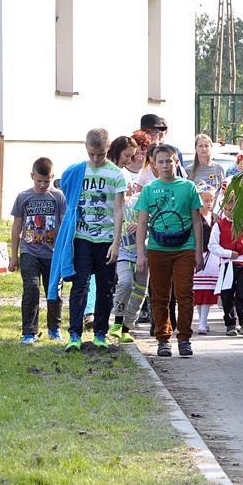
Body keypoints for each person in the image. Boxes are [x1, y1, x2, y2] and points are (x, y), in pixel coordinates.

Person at [135, 143, 205, 357]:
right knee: (160, 296)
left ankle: (184, 338)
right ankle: (163, 339)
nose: (166, 166)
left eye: (169, 161)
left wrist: (198, 252)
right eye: (161, 162)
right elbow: (142, 223)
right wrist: (140, 253)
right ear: (154, 165)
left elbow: (197, 221)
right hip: (157, 249)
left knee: (185, 294)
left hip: (185, 248)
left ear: (177, 162)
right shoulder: (148, 190)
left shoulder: (188, 187)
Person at [62, 128, 126, 352]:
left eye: (100, 154)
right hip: (82, 238)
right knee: (80, 285)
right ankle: (74, 334)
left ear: (108, 149)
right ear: (86, 148)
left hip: (106, 239)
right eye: (92, 154)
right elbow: (68, 202)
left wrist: (116, 243)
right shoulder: (79, 171)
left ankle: (100, 332)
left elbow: (119, 210)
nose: (96, 158)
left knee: (105, 287)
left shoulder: (117, 174)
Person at [9, 157, 67, 344]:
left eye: (46, 181)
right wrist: (14, 256)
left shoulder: (58, 197)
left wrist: (66, 252)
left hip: (53, 254)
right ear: (32, 176)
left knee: (54, 291)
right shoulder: (23, 197)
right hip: (29, 251)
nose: (42, 185)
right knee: (31, 289)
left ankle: (54, 329)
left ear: (52, 177)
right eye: (39, 181)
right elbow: (17, 227)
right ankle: (29, 332)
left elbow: (65, 223)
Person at [109, 134, 147, 343]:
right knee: (124, 283)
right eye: (128, 156)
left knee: (141, 289)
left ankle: (126, 327)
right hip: (123, 250)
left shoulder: (138, 203)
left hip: (143, 251)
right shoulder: (118, 207)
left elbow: (149, 221)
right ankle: (116, 320)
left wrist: (143, 226)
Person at [209, 192, 243, 335]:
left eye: (232, 209)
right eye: (226, 209)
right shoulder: (219, 225)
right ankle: (230, 324)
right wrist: (228, 253)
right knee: (227, 295)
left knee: (242, 293)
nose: (229, 213)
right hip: (227, 264)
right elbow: (212, 245)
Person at [192, 185, 219, 334]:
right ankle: (201, 320)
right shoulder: (194, 216)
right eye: (206, 200)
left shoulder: (215, 217)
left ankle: (203, 321)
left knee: (208, 290)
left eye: (211, 200)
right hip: (197, 255)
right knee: (198, 290)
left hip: (212, 257)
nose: (209, 204)